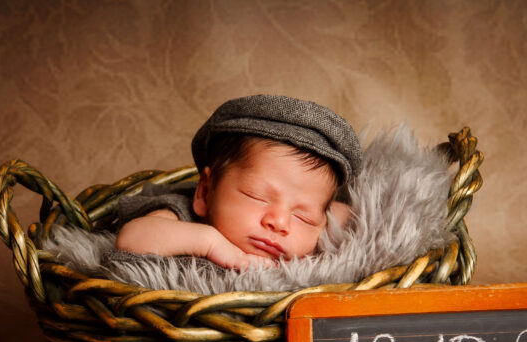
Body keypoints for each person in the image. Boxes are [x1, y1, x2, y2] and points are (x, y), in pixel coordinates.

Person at [115, 94, 362, 270]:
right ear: (205, 191)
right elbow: (131, 239)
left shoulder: (306, 245)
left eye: (303, 216)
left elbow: (355, 218)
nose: (279, 222)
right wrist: (209, 243)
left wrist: (321, 220)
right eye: (257, 196)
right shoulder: (180, 214)